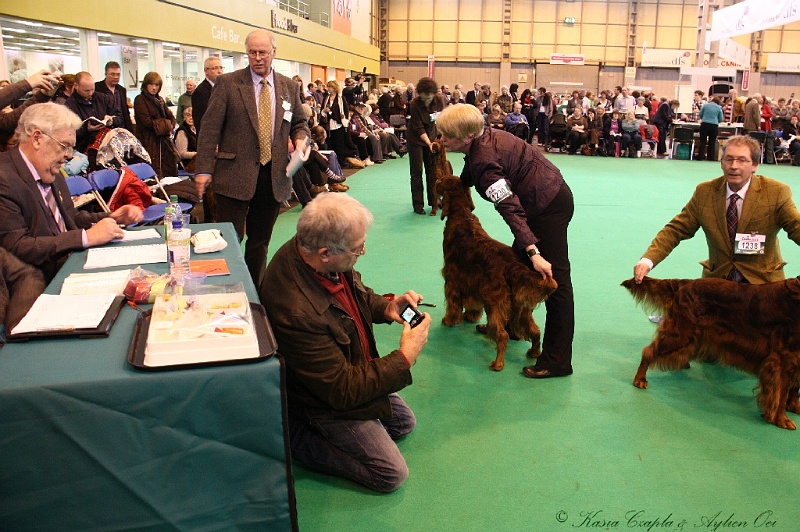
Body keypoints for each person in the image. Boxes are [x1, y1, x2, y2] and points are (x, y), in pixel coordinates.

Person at [260, 192, 431, 492]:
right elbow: (341, 390)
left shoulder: (314, 251)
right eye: (357, 249)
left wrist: (388, 307)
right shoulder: (295, 309)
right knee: (390, 474)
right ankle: (299, 438)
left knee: (403, 423)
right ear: (326, 252)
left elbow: (359, 293)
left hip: (347, 369)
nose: (362, 251)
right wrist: (404, 357)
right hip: (321, 400)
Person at [437, 103, 574, 379]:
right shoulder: (483, 138)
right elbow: (470, 171)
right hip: (544, 192)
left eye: (446, 136)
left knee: (554, 280)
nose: (441, 140)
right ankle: (511, 326)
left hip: (547, 206)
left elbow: (509, 207)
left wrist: (534, 251)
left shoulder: (484, 163)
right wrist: (460, 183)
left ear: (466, 137)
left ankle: (558, 361)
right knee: (514, 266)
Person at [194, 29, 309, 288]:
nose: (257, 58)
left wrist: (301, 139)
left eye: (263, 52)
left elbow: (300, 123)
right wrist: (203, 170)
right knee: (230, 240)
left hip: (273, 178)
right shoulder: (228, 83)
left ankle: (254, 293)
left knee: (260, 243)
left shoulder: (289, 87)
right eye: (252, 52)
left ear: (273, 53)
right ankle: (225, 288)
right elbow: (209, 129)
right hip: (233, 177)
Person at [0, 103, 142, 283]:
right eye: (64, 146)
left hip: (72, 267)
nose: (68, 155)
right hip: (39, 284)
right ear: (37, 138)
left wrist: (112, 217)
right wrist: (85, 237)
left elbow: (69, 218)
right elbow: (17, 247)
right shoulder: (4, 178)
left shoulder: (52, 171)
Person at [632, 136, 800, 286]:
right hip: (717, 286)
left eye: (742, 160)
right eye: (729, 159)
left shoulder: (776, 192)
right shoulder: (705, 192)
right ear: (721, 163)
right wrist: (648, 260)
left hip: (763, 286)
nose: (734, 166)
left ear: (755, 165)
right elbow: (676, 229)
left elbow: (796, 226)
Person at [407, 77, 443, 215]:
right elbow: (418, 127)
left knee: (432, 171)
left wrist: (438, 139)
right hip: (416, 140)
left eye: (429, 97)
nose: (427, 100)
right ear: (419, 93)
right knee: (417, 172)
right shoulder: (414, 104)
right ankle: (418, 204)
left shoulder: (439, 101)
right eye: (424, 97)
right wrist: (428, 143)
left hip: (432, 137)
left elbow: (440, 119)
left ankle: (433, 201)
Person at [64, 72, 124, 153]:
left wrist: (112, 121)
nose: (90, 93)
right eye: (86, 90)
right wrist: (87, 129)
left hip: (108, 144)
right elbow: (68, 133)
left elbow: (120, 117)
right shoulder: (69, 105)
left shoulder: (102, 98)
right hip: (85, 148)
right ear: (76, 86)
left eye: (92, 89)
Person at [133, 71, 178, 178]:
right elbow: (147, 123)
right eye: (151, 84)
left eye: (157, 85)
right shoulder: (140, 99)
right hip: (148, 143)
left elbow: (172, 118)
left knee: (168, 173)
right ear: (145, 85)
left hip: (164, 144)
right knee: (153, 175)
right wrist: (166, 125)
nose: (154, 88)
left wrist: (164, 124)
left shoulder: (160, 100)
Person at [94, 61, 134, 133]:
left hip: (122, 129)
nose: (116, 77)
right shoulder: (97, 88)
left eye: (118, 74)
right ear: (106, 74)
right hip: (105, 130)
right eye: (112, 74)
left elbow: (125, 113)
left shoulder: (122, 90)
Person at [191, 56, 223, 136]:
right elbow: (200, 121)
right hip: (210, 139)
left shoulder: (223, 88)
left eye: (221, 68)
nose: (219, 71)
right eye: (215, 68)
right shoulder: (200, 92)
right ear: (206, 71)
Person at [697, 96, 724, 161]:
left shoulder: (705, 106)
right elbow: (721, 118)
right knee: (712, 142)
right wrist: (716, 120)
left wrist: (705, 118)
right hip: (714, 126)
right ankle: (710, 157)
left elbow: (700, 114)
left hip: (704, 124)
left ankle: (700, 156)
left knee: (702, 141)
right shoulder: (719, 108)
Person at [174, 107, 197, 171]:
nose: (191, 118)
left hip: (198, 161)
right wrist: (200, 154)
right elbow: (182, 154)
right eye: (188, 115)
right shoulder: (182, 132)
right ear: (184, 117)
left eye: (193, 115)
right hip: (188, 165)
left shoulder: (196, 129)